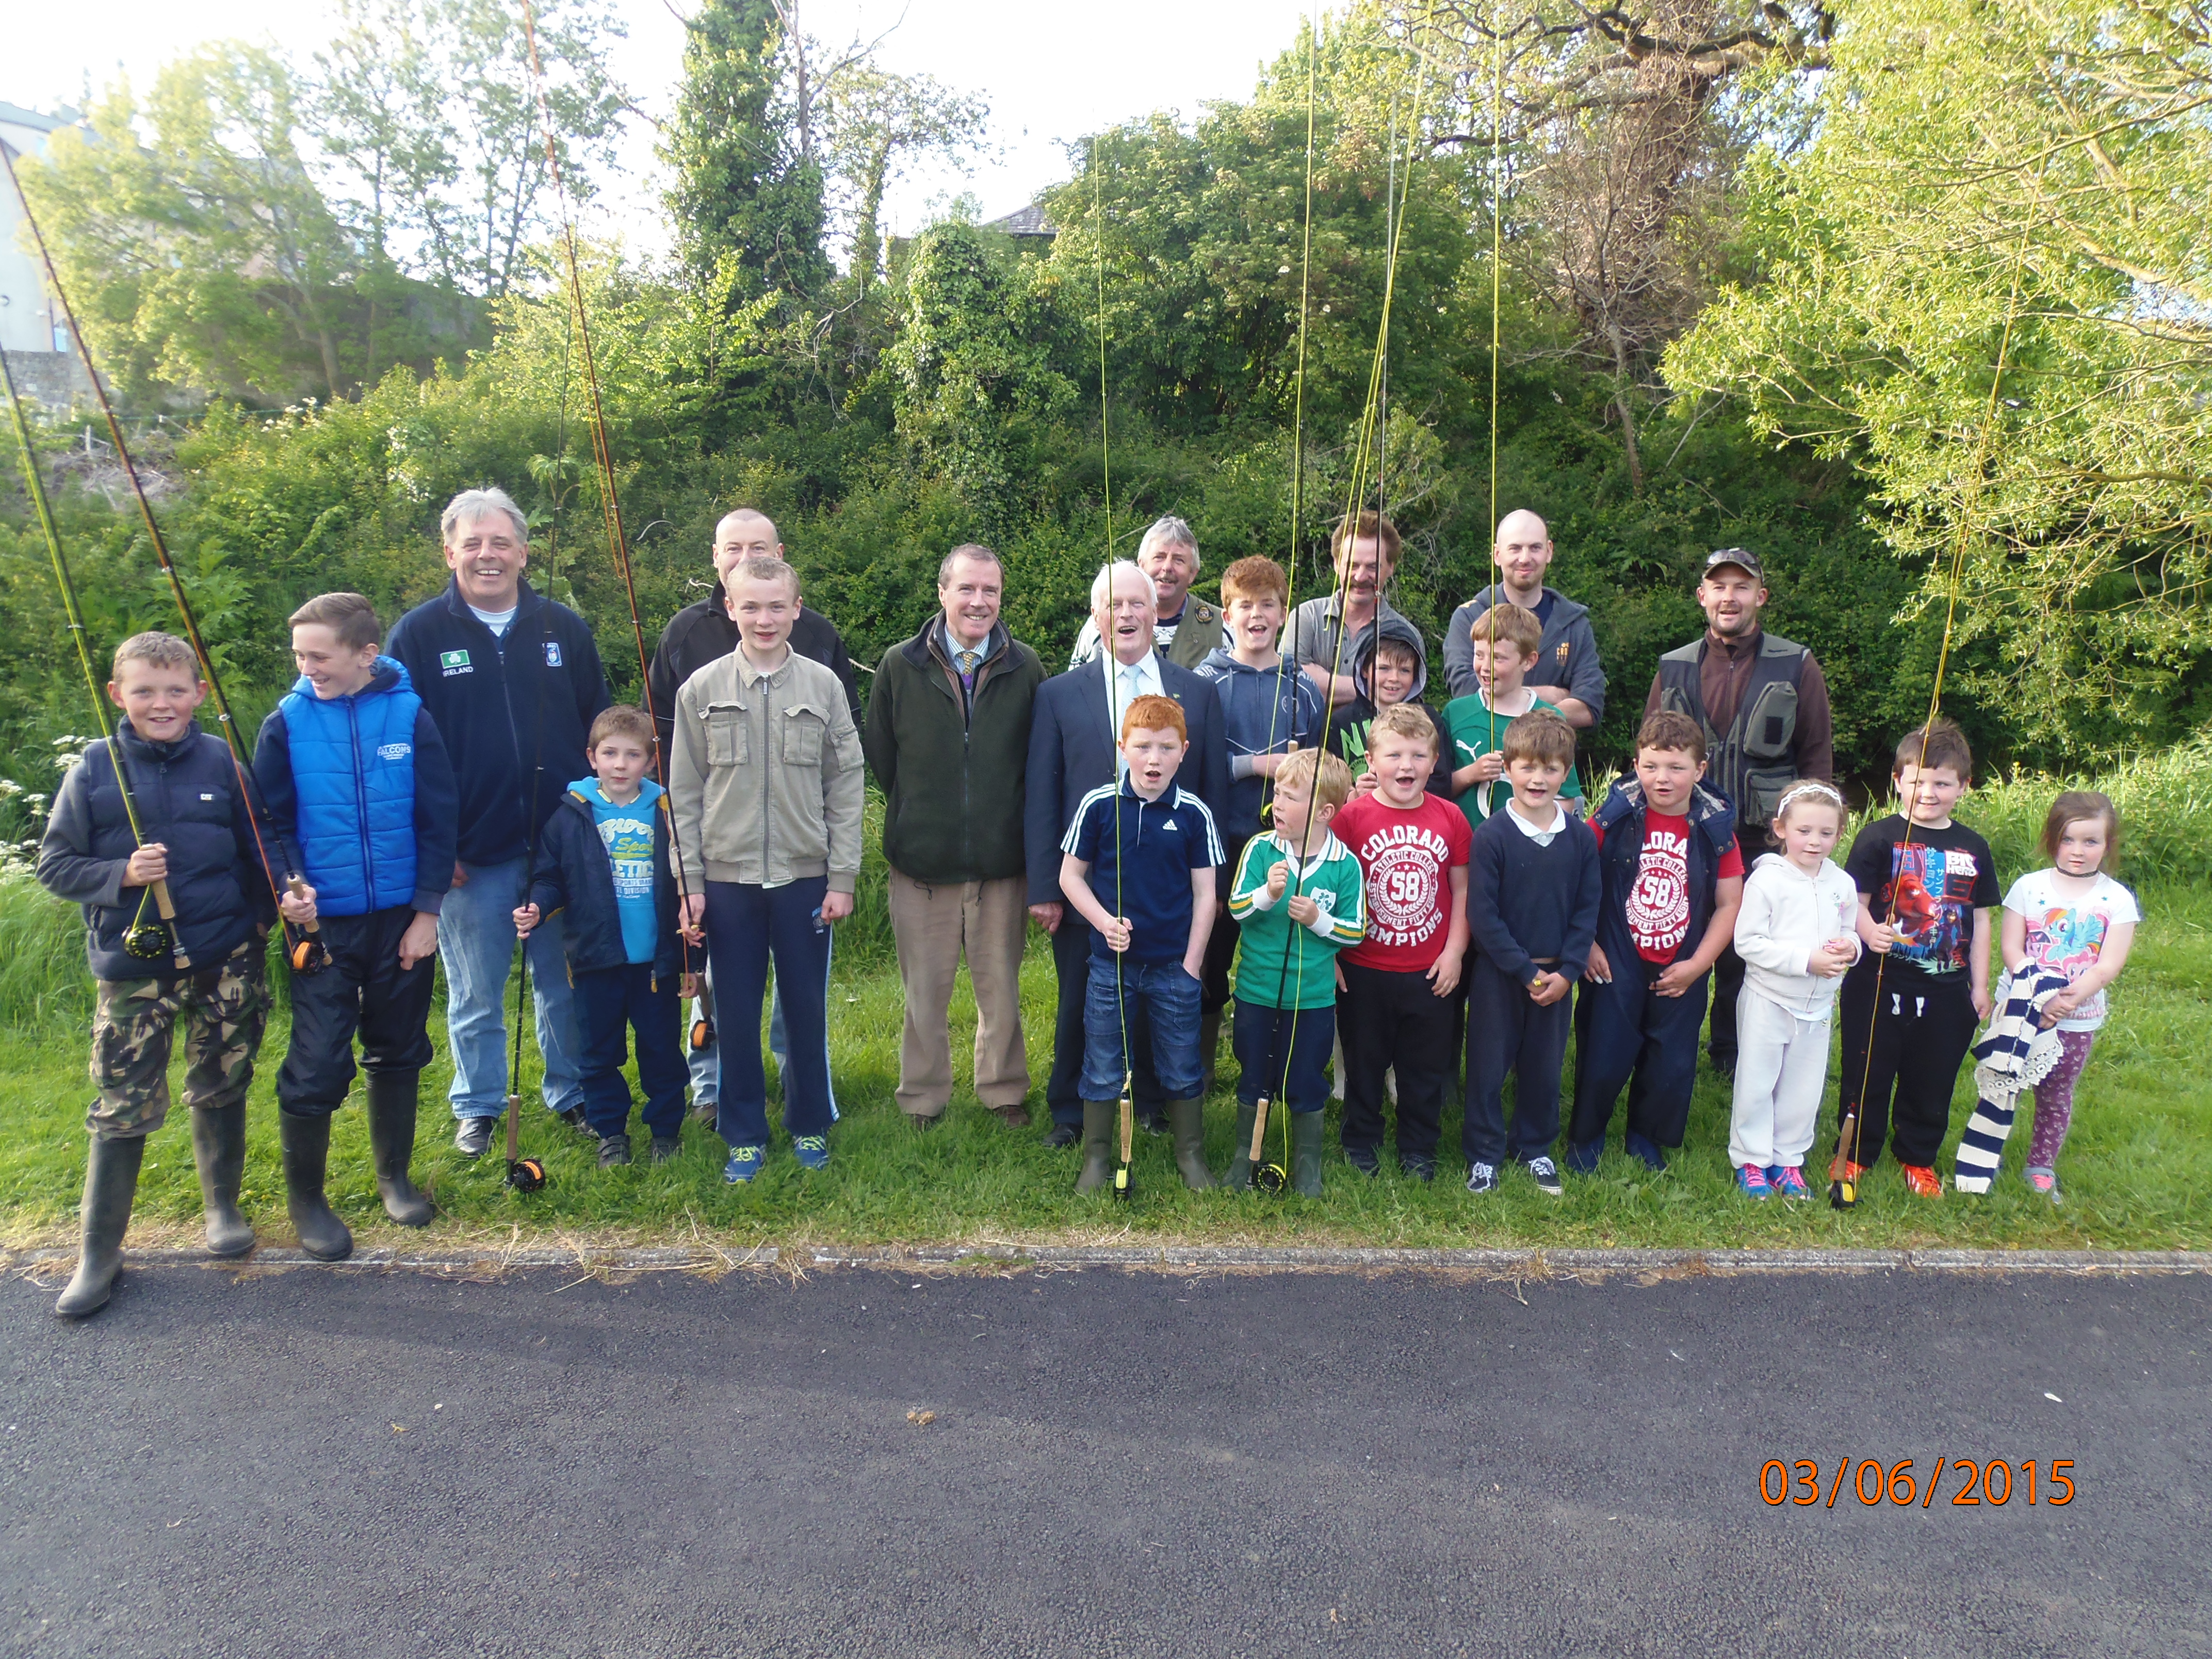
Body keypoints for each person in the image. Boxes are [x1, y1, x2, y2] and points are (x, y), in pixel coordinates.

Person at [36, 631, 278, 1316]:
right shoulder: (91, 768)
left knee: (223, 1080)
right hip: (134, 970)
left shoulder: (223, 762)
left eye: (176, 690)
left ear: (199, 694)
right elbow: (55, 865)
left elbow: (259, 847)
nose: (162, 704)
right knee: (122, 1104)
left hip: (224, 958)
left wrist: (261, 921)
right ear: (118, 695)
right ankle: (99, 1255)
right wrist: (119, 874)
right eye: (145, 691)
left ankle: (222, 1211)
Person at [385, 486, 610, 1154]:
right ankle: (478, 1105)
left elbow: (601, 729)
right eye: (473, 543)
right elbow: (399, 748)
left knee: (563, 983)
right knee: (476, 990)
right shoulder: (418, 635)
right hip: (467, 854)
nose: (488, 555)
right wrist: (431, 847)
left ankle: (574, 1094)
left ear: (524, 550)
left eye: (501, 542)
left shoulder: (563, 628)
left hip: (559, 849)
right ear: (450, 551)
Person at [255, 594, 457, 1263]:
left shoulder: (410, 714)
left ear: (366, 654)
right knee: (316, 1064)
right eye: (299, 656)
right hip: (323, 925)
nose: (306, 667)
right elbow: (269, 825)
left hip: (401, 919)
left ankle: (393, 1179)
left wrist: (427, 914)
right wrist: (290, 887)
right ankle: (307, 1203)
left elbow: (438, 818)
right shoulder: (285, 723)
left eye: (319, 655)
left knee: (399, 1048)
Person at [647, 508, 861, 1128]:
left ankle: (809, 1124)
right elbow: (682, 794)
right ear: (730, 608)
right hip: (726, 880)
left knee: (804, 1011)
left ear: (796, 610)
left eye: (776, 608)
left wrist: (841, 878)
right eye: (751, 608)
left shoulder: (823, 687)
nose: (763, 620)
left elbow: (846, 785)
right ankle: (742, 1130)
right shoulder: (700, 690)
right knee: (734, 1013)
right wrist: (688, 886)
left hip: (804, 879)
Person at [1024, 561, 1231, 1147]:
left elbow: (1212, 791)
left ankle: (1156, 1104)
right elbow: (1043, 791)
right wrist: (1044, 887)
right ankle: (1072, 1111)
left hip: (1168, 879)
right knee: (1082, 997)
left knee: (1163, 995)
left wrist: (1211, 888)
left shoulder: (1194, 692)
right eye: (1114, 605)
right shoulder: (1059, 694)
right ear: (1097, 615)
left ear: (1155, 612)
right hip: (1087, 879)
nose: (1127, 614)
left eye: (1137, 603)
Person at [862, 544, 1046, 1130]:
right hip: (922, 863)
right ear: (942, 593)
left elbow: (1034, 761)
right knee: (925, 993)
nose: (979, 601)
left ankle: (1002, 1091)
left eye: (990, 591)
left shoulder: (1026, 666)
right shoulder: (900, 664)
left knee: (1002, 991)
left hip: (1000, 864)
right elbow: (882, 756)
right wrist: (921, 812)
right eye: (967, 589)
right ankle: (922, 1098)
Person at [1644, 546, 1834, 1077]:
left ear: (1760, 597)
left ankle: (1731, 1053)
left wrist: (1808, 837)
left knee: (1746, 953)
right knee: (1677, 938)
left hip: (1762, 839)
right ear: (1702, 596)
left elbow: (1816, 756)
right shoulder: (1673, 666)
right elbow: (1649, 750)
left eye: (1741, 586)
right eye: (1719, 587)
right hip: (1687, 833)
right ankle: (1665, 1045)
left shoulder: (1795, 663)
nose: (1730, 597)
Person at [514, 706, 698, 1168]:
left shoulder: (667, 812)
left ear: (651, 763)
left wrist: (690, 952)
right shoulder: (568, 816)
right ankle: (610, 1132)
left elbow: (690, 881)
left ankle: (665, 1132)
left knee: (661, 1052)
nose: (621, 765)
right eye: (610, 754)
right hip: (595, 959)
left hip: (654, 963)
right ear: (591, 758)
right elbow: (551, 877)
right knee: (597, 1055)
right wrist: (537, 905)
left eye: (633, 755)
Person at [1565, 711, 1747, 1175]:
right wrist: (1585, 943)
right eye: (1650, 766)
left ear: (1701, 770)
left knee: (1671, 1059)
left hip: (1683, 959)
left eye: (1676, 767)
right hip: (1616, 952)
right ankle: (1587, 1135)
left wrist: (1700, 964)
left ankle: (1647, 1136)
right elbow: (1578, 875)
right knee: (1604, 1049)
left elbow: (1729, 904)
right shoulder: (1613, 815)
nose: (1661, 779)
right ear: (1635, 764)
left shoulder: (1715, 826)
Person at [1058, 693, 1224, 1192]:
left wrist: (1193, 965)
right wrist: (1104, 922)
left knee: (1180, 1061)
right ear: (1122, 748)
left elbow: (1205, 894)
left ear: (1184, 751)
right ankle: (1096, 1157)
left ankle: (1190, 1156)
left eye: (1166, 748)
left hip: (1175, 966)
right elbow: (1070, 877)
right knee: (1104, 1061)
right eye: (1143, 747)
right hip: (1111, 966)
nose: (1154, 759)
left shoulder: (1195, 814)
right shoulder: (1097, 804)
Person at [1831, 719, 1998, 1198]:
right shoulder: (1877, 837)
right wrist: (1869, 933)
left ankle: (1919, 1157)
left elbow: (1982, 919)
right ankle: (1856, 1152)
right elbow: (1853, 903)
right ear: (1897, 781)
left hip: (1948, 989)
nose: (1929, 792)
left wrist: (1979, 985)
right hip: (1878, 981)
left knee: (1933, 1076)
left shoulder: (1975, 847)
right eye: (1918, 781)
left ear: (1963, 787)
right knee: (1869, 1068)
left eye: (1942, 783)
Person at [1193, 555, 1327, 1092]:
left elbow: (1322, 766)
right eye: (1243, 605)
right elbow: (1193, 765)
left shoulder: (1303, 687)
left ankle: (1286, 1066)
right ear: (1226, 614)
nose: (1255, 615)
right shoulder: (1204, 684)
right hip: (1223, 843)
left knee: (1283, 951)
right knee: (1211, 952)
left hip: (1287, 845)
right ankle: (1197, 1066)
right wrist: (1256, 766)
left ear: (1282, 613)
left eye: (1266, 605)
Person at [1329, 703, 1470, 1181]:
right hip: (1363, 968)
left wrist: (1454, 953)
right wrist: (1330, 955)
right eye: (1393, 755)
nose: (1405, 766)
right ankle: (1361, 1140)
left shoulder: (1451, 817)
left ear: (1434, 763)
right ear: (1370, 761)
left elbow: (1463, 889)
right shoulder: (1350, 819)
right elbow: (1328, 887)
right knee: (1365, 1063)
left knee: (1422, 1069)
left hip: (1429, 970)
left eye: (1417, 756)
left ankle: (1418, 1148)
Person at [1463, 712, 1600, 1197]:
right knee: (1486, 1066)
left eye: (1550, 769)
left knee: (1544, 1066)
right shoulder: (1492, 836)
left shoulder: (1581, 839)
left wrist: (1568, 971)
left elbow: (1587, 912)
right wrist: (1523, 972)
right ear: (1508, 771)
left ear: (1566, 773)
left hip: (1557, 977)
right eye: (1526, 768)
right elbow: (1483, 916)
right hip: (1501, 975)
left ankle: (1536, 1147)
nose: (1538, 779)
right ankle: (1484, 1154)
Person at [1223, 747, 1365, 1196]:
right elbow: (1237, 908)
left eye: (1289, 797)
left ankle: (1307, 1168)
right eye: (1277, 795)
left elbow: (1355, 930)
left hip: (1314, 998)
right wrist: (1267, 894)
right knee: (1253, 1076)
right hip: (1256, 992)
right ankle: (1245, 1160)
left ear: (1324, 811)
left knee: (1305, 1078)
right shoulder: (1261, 849)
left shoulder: (1345, 866)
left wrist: (1317, 921)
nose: (1277, 805)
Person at [1989, 791, 2138, 1202]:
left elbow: (2108, 965)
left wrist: (2066, 1002)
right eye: (2069, 839)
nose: (2078, 851)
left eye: (2091, 842)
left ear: (2108, 845)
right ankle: (1987, 1158)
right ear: (2053, 838)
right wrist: (2037, 999)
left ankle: (2041, 1167)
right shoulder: (2028, 888)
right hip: (2018, 1010)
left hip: (2076, 1017)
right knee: (2004, 1086)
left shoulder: (2118, 900)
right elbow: (2012, 950)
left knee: (2056, 1093)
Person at [1727, 781, 1860, 1200]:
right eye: (1804, 831)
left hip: (1818, 1007)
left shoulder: (1843, 884)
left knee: (1804, 1088)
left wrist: (1850, 949)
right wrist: (1807, 960)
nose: (1815, 842)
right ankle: (1751, 1159)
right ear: (1780, 828)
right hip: (1769, 999)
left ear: (1840, 834)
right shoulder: (1766, 881)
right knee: (1757, 1082)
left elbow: (1851, 931)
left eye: (1826, 833)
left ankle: (1788, 1161)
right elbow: (1747, 943)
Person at [1442, 509, 1606, 728]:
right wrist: (1550, 696)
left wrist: (1511, 700)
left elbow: (1589, 707)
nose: (1525, 558)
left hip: (1554, 758)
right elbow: (1468, 693)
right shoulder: (1469, 617)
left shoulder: (1574, 624)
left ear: (1549, 551)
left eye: (1535, 548)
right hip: (1483, 756)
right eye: (1515, 548)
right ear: (1497, 555)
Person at [1444, 601, 1585, 826]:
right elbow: (1436, 787)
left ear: (1528, 661)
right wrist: (1471, 773)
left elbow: (1566, 796)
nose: (1485, 667)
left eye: (1498, 658)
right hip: (1466, 849)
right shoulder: (1456, 713)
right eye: (1479, 655)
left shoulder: (1551, 717)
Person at [1066, 515, 1225, 670]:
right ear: (1141, 565)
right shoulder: (1100, 626)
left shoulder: (1222, 625)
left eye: (1178, 560)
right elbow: (1076, 687)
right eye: (1159, 557)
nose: (1167, 567)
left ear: (1193, 573)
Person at [1288, 511, 1411, 706]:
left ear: (1391, 567)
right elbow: (1289, 683)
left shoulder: (1406, 634)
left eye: (1373, 567)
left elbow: (1408, 707)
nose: (1361, 577)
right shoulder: (1306, 617)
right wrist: (1375, 688)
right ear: (1337, 565)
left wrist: (1320, 680)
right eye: (1352, 566)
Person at [1325, 615, 1452, 799]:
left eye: (1405, 670)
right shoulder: (1338, 722)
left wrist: (1391, 789)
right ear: (1364, 670)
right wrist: (1354, 793)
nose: (1394, 678)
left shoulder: (1430, 719)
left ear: (1416, 675)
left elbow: (1442, 781)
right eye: (1383, 668)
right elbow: (1328, 785)